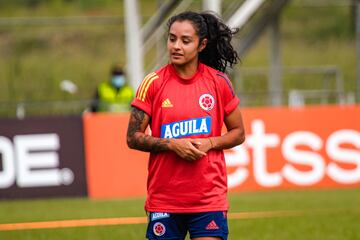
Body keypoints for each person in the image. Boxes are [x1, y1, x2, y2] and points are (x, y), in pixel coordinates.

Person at [127, 11, 245, 240]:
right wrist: (172, 144)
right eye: (172, 39)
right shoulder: (152, 83)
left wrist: (211, 142)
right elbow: (132, 137)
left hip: (208, 198)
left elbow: (238, 133)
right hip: (165, 199)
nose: (176, 46)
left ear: (202, 45)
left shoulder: (218, 82)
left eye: (185, 40)